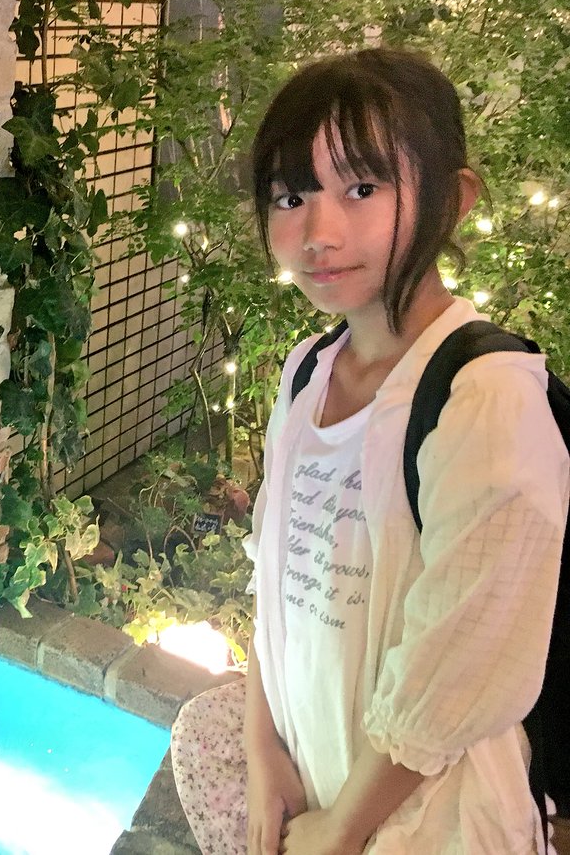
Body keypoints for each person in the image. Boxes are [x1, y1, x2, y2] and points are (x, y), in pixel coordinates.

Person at [169, 47, 569, 855]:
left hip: (427, 820)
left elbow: (463, 665)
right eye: (291, 196)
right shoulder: (307, 371)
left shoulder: (483, 400)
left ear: (452, 201)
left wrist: (343, 829)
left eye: (362, 189)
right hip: (313, 769)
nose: (319, 234)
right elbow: (275, 577)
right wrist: (263, 748)